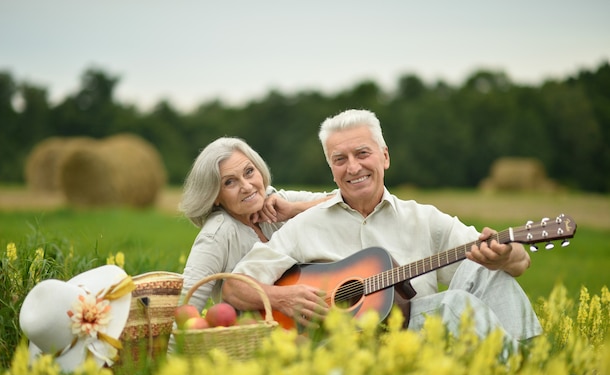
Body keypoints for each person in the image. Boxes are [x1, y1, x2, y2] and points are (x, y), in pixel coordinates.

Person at [222, 109, 542, 347]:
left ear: (385, 157)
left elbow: (519, 262)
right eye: (340, 159)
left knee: (486, 270)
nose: (353, 167)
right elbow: (234, 287)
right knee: (455, 304)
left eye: (362, 153)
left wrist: (504, 257)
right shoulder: (305, 226)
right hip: (339, 349)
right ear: (331, 169)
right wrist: (282, 298)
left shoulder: (424, 219)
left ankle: (533, 358)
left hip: (413, 341)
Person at [175, 136, 331, 314]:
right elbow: (186, 304)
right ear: (215, 196)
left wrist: (294, 209)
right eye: (229, 182)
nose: (247, 186)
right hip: (252, 337)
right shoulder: (217, 234)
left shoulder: (277, 201)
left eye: (249, 172)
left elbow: (347, 200)